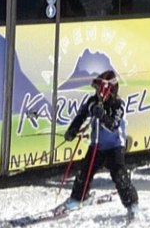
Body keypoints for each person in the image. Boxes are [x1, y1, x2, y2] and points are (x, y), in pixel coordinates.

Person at [57, 71, 139, 218]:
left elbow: (113, 125)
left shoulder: (118, 104)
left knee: (119, 174)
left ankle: (132, 205)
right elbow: (81, 115)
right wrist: (72, 130)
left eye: (99, 89)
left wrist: (102, 116)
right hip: (97, 145)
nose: (97, 92)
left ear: (108, 89)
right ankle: (78, 199)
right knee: (85, 171)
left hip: (115, 146)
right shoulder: (93, 102)